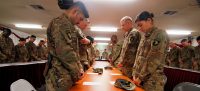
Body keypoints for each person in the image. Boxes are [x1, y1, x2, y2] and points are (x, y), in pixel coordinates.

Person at [45, 0, 89, 91]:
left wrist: (79, 67)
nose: (79, 22)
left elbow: (74, 51)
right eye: (80, 18)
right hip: (59, 77)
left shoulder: (70, 26)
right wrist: (78, 71)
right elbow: (65, 52)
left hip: (67, 75)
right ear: (75, 11)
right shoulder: (60, 23)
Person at [132, 11, 169, 91]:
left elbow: (154, 59)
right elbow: (138, 57)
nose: (139, 28)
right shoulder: (144, 37)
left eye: (140, 25)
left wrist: (140, 77)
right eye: (138, 26)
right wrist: (134, 73)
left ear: (149, 20)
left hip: (152, 82)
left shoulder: (160, 34)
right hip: (140, 79)